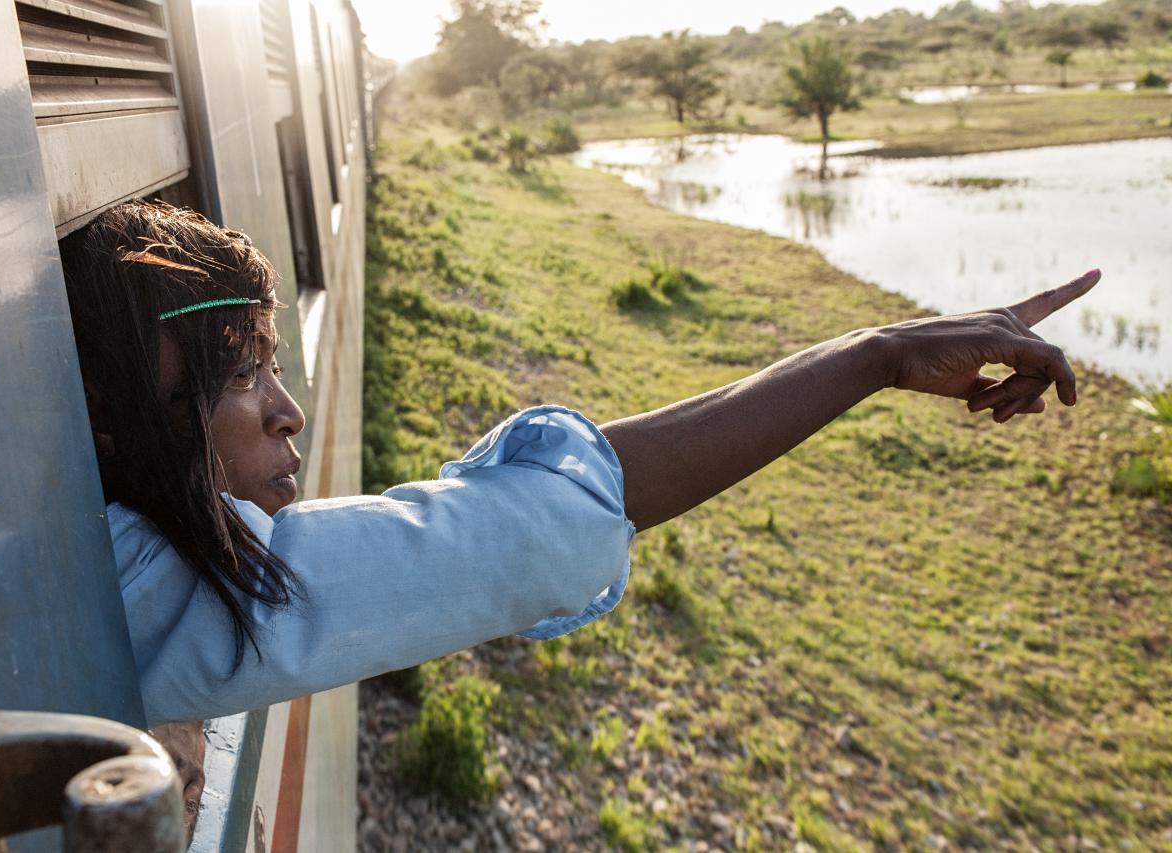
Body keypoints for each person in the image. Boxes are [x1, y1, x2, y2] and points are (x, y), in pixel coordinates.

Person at [59, 200, 1099, 822]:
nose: (287, 411)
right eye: (234, 378)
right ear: (102, 426)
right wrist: (873, 354)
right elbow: (524, 530)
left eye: (277, 365)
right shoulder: (134, 587)